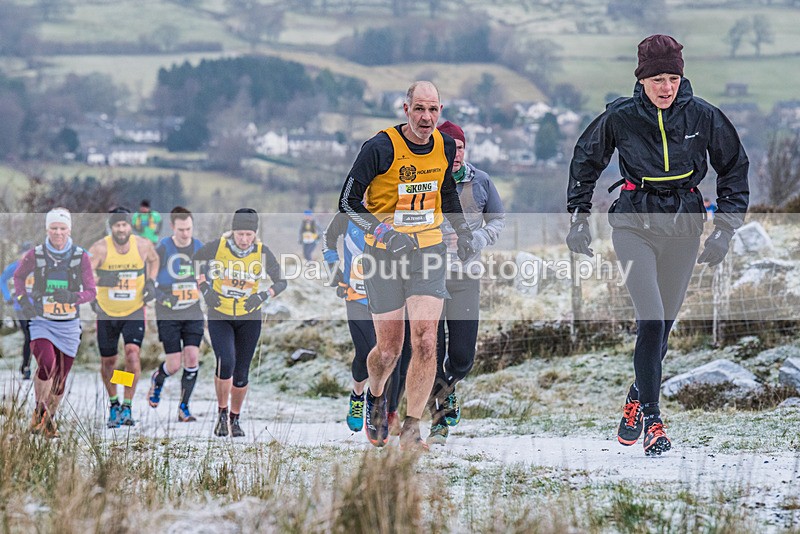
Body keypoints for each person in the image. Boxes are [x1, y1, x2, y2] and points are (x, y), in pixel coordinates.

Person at [566, 35, 749, 456]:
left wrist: (724, 229)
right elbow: (585, 161)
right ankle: (653, 420)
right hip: (634, 225)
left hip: (684, 226)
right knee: (650, 320)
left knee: (662, 328)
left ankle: (637, 393)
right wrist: (578, 217)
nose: (666, 87)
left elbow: (734, 168)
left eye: (672, 79)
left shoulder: (703, 115)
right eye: (657, 80)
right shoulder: (621, 116)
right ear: (641, 80)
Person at [338, 80, 474, 450]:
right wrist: (383, 232)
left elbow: (446, 191)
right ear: (406, 110)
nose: (426, 117)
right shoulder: (380, 147)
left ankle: (412, 427)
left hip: (428, 252)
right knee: (388, 351)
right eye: (419, 109)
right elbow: (348, 202)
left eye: (433, 109)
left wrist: (462, 231)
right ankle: (376, 396)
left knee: (426, 340)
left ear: (440, 111)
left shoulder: (445, 146)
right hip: (384, 256)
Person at [426, 121, 506, 445]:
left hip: (465, 275)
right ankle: (439, 420)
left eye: (459, 147)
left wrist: (476, 239)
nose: (455, 153)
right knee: (430, 352)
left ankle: (449, 387)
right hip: (428, 277)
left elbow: (497, 220)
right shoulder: (427, 180)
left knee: (462, 357)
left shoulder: (481, 181)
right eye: (450, 148)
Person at [194, 208, 286, 438]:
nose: (244, 239)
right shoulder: (217, 247)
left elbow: (281, 281)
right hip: (220, 315)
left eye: (249, 234)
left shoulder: (262, 252)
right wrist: (205, 288)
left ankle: (235, 419)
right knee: (226, 362)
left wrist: (263, 296)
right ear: (233, 232)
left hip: (249, 318)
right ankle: (222, 413)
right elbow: (194, 263)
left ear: (255, 233)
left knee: (242, 372)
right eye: (240, 234)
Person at [322, 211, 412, 437]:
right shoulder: (349, 214)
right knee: (365, 354)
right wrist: (334, 271)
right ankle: (357, 396)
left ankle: (386, 412)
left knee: (391, 356)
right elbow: (328, 239)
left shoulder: (395, 211)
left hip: (391, 298)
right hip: (357, 297)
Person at [13, 208, 96, 437]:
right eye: (53, 228)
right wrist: (23, 299)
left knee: (60, 379)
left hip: (69, 325)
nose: (58, 232)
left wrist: (72, 297)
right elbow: (18, 277)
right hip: (42, 322)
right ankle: (40, 412)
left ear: (69, 229)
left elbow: (91, 291)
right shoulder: (36, 254)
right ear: (47, 229)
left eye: (62, 228)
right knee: (47, 364)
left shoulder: (80, 257)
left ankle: (48, 419)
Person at [89, 207, 159, 428]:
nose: (121, 229)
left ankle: (127, 405)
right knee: (109, 363)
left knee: (132, 355)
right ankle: (114, 403)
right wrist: (101, 282)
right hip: (106, 312)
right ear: (111, 227)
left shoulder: (142, 245)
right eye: (117, 225)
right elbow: (86, 273)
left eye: (124, 225)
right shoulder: (100, 248)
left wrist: (151, 282)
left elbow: (154, 260)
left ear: (130, 226)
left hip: (134, 310)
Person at [147, 207, 204, 422]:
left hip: (192, 310)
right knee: (174, 365)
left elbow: (207, 276)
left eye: (189, 229)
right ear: (172, 227)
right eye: (181, 230)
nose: (185, 234)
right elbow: (149, 282)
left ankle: (184, 407)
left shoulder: (199, 248)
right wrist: (163, 297)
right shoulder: (162, 249)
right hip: (168, 313)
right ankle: (158, 379)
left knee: (192, 358)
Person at [2, 241, 34, 379]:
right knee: (29, 335)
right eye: (24, 254)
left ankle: (32, 365)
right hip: (20, 307)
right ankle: (26, 366)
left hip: (37, 308)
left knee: (35, 337)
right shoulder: (15, 267)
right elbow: (2, 280)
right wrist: (7, 296)